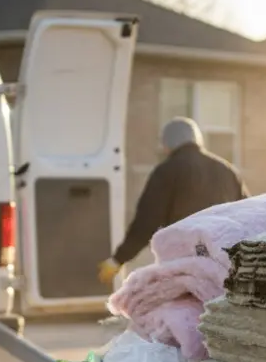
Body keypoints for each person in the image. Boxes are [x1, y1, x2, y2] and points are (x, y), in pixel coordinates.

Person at [98, 117, 248, 285]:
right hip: (224, 267)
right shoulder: (228, 171)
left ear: (168, 144)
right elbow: (249, 215)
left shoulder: (167, 170)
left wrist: (118, 260)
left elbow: (146, 223)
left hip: (184, 267)